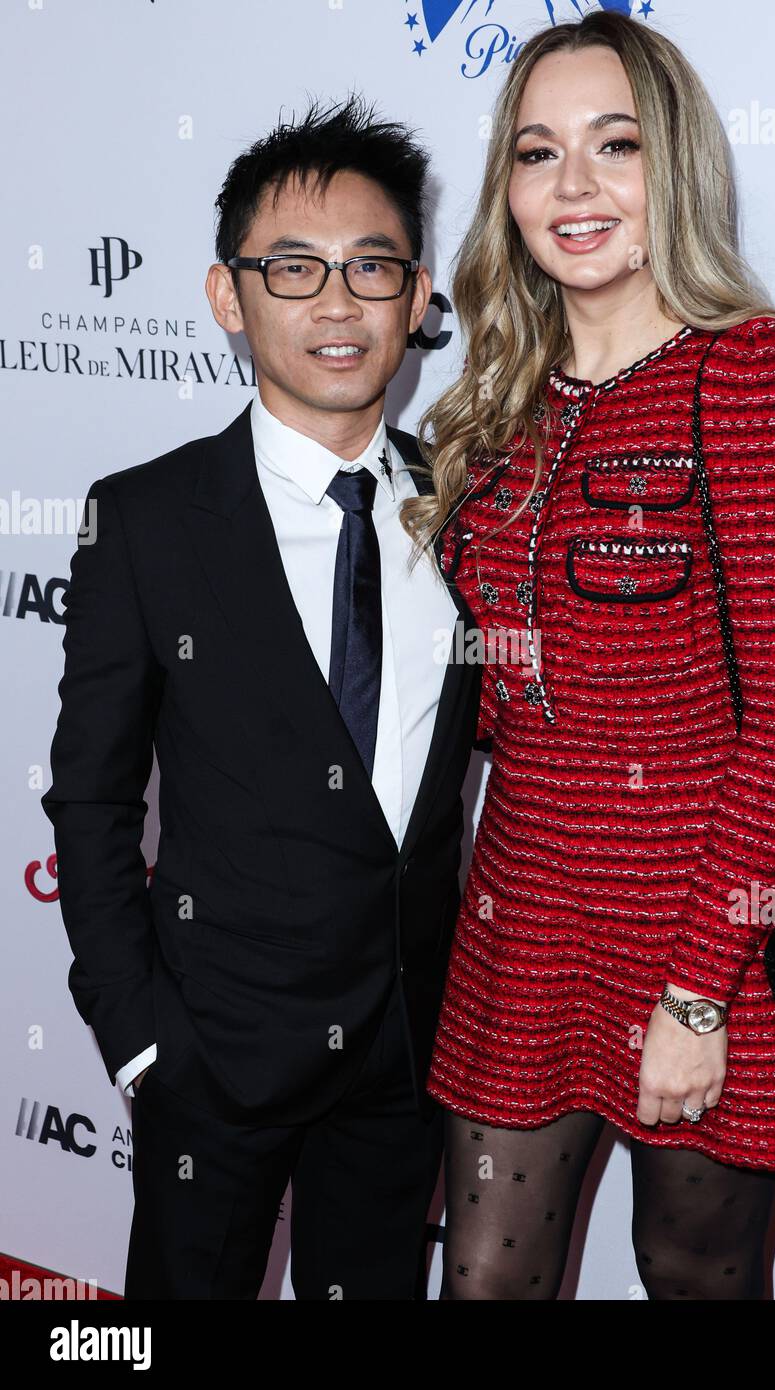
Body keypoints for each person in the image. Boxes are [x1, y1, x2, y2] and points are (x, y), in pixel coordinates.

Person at [401, 13, 775, 1300]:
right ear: (502, 186)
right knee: (484, 1284)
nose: (571, 188)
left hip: (693, 924)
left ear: (671, 164)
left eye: (612, 145)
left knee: (690, 1279)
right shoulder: (497, 398)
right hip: (520, 911)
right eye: (536, 151)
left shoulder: (753, 372)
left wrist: (695, 997)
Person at [40, 96, 483, 1300]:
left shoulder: (476, 506)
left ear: (417, 296)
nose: (336, 304)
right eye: (293, 268)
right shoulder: (145, 521)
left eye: (370, 267)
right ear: (228, 297)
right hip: (210, 1057)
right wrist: (139, 1038)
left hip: (405, 1052)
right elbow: (88, 801)